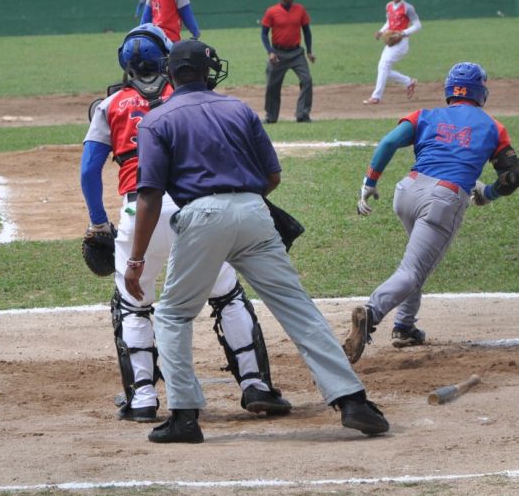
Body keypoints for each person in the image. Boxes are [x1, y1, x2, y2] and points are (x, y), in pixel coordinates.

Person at [124, 39, 390, 443]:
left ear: (171, 74)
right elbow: (272, 177)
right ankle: (352, 400)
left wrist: (136, 259)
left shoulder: (156, 120)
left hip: (201, 216)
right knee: (297, 308)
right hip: (254, 211)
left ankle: (184, 416)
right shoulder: (239, 109)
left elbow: (148, 195)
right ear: (208, 72)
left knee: (174, 315)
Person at [80, 25, 292, 424]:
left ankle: (143, 397)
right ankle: (255, 384)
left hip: (137, 213)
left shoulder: (109, 107)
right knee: (226, 294)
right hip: (195, 211)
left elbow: (89, 171)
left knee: (133, 305)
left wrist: (97, 224)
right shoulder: (186, 99)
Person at [344, 62, 519, 362]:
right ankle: (371, 312)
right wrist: (489, 193)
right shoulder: (492, 126)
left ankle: (404, 327)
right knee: (412, 270)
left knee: (415, 262)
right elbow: (516, 174)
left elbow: (389, 141)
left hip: (407, 191)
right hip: (443, 200)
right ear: (481, 91)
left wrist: (369, 182)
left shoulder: (425, 115)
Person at [261, 0, 315, 123]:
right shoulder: (272, 11)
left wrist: (309, 51)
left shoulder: (300, 9)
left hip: (297, 53)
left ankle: (302, 114)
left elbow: (307, 31)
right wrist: (270, 52)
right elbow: (264, 34)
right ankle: (271, 117)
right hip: (278, 54)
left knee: (307, 80)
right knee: (273, 85)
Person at [363, 0, 422, 105]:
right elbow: (389, 23)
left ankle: (376, 97)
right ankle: (409, 82)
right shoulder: (389, 6)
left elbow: (418, 25)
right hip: (391, 41)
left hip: (401, 42)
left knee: (383, 66)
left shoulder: (408, 8)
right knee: (383, 68)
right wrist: (381, 31)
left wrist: (403, 33)